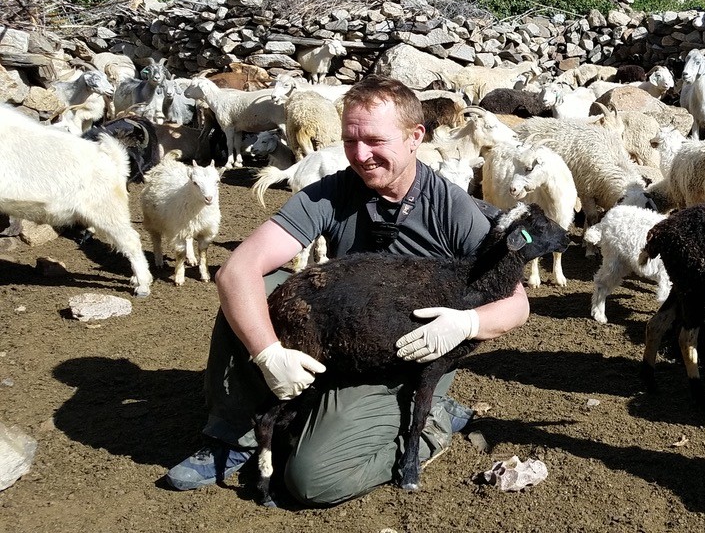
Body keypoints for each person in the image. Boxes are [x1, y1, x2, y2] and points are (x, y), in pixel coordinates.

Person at [164, 75, 529, 505]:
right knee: (257, 288)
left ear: (416, 137)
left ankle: (432, 423)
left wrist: (467, 322)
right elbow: (238, 270)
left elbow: (516, 304)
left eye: (375, 140)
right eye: (350, 140)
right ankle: (233, 436)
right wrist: (268, 353)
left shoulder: (453, 207)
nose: (360, 155)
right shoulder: (335, 192)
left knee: (311, 480)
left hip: (409, 354)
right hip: (344, 332)